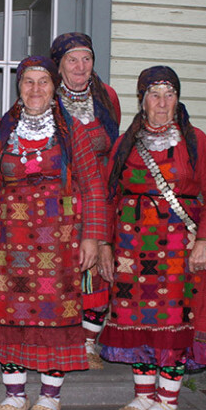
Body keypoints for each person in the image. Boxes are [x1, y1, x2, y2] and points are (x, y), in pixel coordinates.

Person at [0, 56, 106, 410]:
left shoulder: (71, 130)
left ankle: (49, 396)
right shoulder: (3, 128)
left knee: (55, 310)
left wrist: (92, 238)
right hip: (10, 238)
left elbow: (93, 186)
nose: (35, 89)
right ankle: (14, 395)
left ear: (54, 86)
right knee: (10, 311)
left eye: (43, 82)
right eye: (28, 82)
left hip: (59, 238)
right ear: (19, 87)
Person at [98, 65, 206, 410]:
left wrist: (204, 240)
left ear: (178, 99)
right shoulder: (125, 143)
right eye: (155, 95)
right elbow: (108, 197)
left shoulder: (195, 141)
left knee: (173, 322)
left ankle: (167, 400)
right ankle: (141, 396)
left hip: (178, 248)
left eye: (170, 95)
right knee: (137, 320)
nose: (162, 103)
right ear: (142, 100)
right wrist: (105, 245)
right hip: (130, 249)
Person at [50, 32, 121, 369]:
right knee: (58, 271)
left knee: (96, 269)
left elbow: (115, 150)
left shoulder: (107, 97)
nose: (80, 66)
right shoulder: (45, 96)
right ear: (59, 66)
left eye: (86, 59)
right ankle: (60, 338)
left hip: (99, 195)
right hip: (58, 200)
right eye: (72, 60)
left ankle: (89, 342)